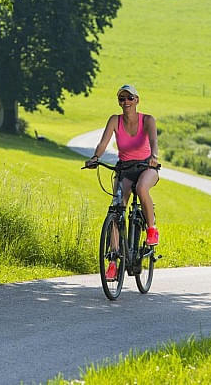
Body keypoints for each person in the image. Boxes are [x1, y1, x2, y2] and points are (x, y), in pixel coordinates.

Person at [85, 84, 160, 280]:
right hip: (125, 168)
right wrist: (95, 157)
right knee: (117, 209)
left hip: (146, 167)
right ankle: (113, 262)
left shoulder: (148, 120)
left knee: (142, 188)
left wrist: (154, 156)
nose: (125, 102)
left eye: (129, 98)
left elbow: (153, 142)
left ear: (137, 100)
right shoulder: (114, 120)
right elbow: (103, 143)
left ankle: (151, 229)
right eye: (121, 99)